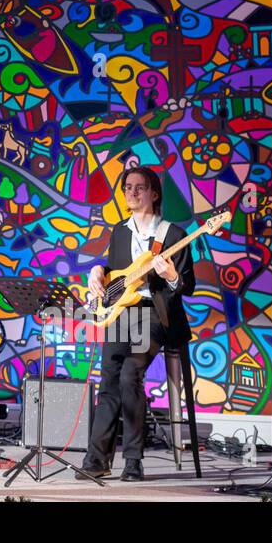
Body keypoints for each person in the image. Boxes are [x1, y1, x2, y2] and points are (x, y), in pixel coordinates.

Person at [81, 166, 195, 482]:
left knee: (131, 374)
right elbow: (118, 273)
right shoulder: (120, 231)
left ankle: (133, 460)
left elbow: (188, 285)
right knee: (109, 378)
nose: (132, 192)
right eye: (128, 187)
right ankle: (97, 459)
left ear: (154, 193)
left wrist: (171, 276)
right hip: (122, 312)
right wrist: (97, 272)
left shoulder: (173, 235)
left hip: (155, 314)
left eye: (139, 187)